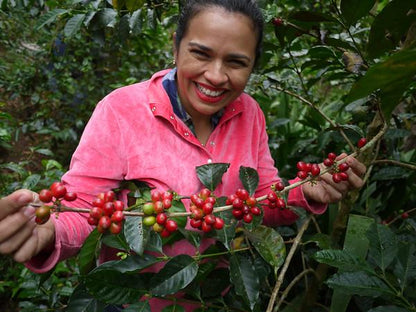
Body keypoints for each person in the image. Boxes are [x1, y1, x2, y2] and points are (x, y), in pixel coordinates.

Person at [0, 0, 366, 310]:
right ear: (176, 47)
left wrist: (303, 191)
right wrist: (50, 232)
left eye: (237, 62)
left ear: (253, 64)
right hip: (135, 302)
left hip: (213, 298)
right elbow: (85, 208)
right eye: (200, 54)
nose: (216, 76)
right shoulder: (121, 110)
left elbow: (258, 203)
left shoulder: (250, 113)